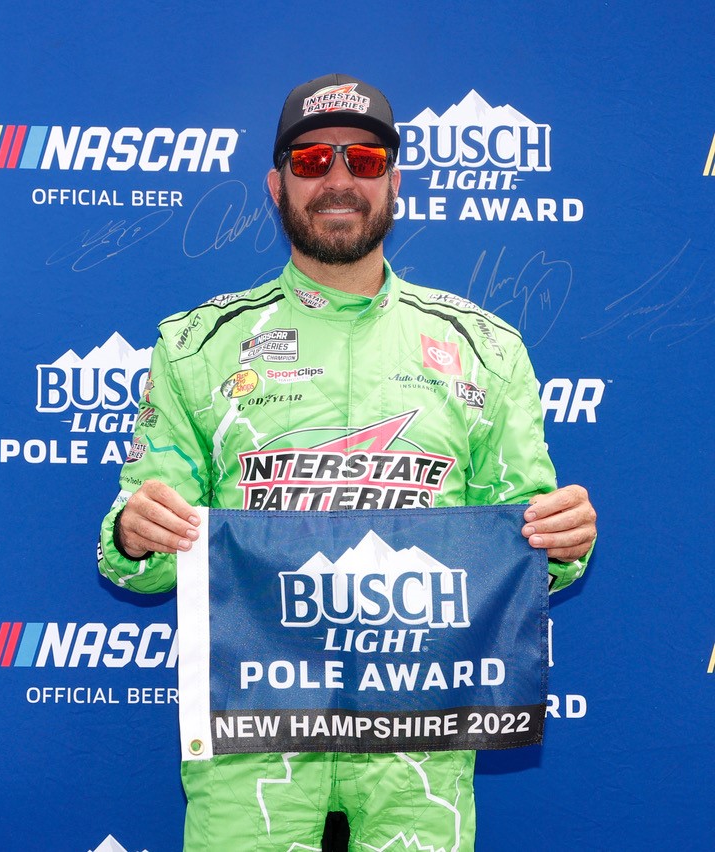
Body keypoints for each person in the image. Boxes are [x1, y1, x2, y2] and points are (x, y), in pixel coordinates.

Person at [96, 73, 597, 851]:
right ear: (277, 186)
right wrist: (133, 536)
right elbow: (144, 566)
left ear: (394, 183)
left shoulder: (486, 349)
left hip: (419, 735)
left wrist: (561, 543)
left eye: (364, 161)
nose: (338, 179)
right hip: (251, 733)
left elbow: (526, 557)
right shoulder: (197, 347)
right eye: (311, 160)